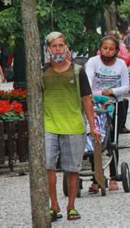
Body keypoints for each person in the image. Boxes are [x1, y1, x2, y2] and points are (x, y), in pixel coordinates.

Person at [43, 32, 100, 221]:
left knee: (72, 169)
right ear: (48, 49)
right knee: (48, 165)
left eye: (61, 46)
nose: (58, 49)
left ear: (66, 48)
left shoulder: (77, 71)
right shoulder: (42, 71)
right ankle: (54, 205)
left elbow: (87, 99)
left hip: (74, 125)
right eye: (54, 46)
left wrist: (93, 126)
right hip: (49, 125)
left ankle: (71, 207)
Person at [85, 35, 130, 192]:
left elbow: (126, 86)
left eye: (111, 49)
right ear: (100, 49)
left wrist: (112, 91)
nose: (108, 51)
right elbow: (88, 78)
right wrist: (89, 93)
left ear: (117, 50)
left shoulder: (121, 64)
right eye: (105, 48)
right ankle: (96, 178)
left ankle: (113, 176)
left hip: (115, 103)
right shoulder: (93, 62)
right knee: (94, 138)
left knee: (112, 140)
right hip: (95, 102)